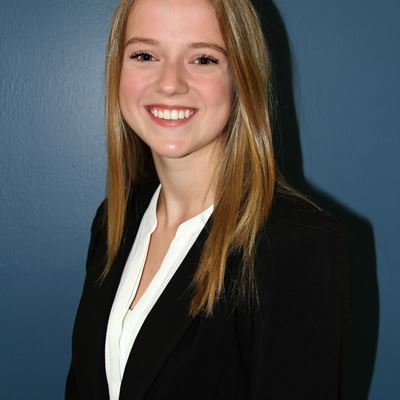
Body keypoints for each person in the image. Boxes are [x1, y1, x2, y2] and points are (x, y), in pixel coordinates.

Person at [66, 0, 352, 399]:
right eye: (145, 55)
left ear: (241, 76)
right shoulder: (115, 220)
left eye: (203, 59)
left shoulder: (299, 246)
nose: (170, 83)